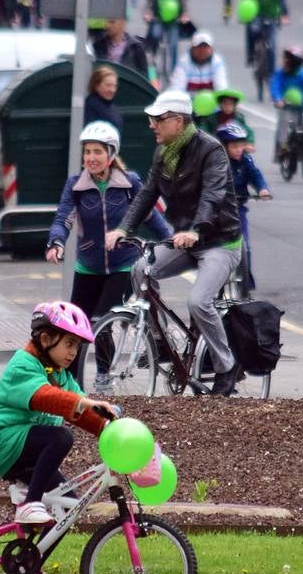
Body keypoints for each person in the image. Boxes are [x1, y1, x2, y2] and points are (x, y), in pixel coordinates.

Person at [0, 302, 117, 574]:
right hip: (1, 441)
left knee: (67, 510)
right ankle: (29, 505)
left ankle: (29, 570)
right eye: (68, 343)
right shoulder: (24, 364)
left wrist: (113, 432)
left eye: (77, 347)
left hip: (27, 448)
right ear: (45, 339)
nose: (73, 353)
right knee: (60, 436)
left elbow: (82, 414)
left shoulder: (61, 375)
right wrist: (83, 401)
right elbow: (46, 397)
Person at [104, 91, 244, 395]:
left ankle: (226, 365)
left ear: (178, 121)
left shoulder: (211, 150)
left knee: (198, 301)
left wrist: (195, 230)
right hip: (185, 240)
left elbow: (213, 195)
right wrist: (123, 229)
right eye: (151, 119)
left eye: (158, 119)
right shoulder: (163, 152)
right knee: (141, 270)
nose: (152, 125)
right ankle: (160, 343)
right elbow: (147, 194)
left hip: (220, 242)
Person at [46, 121, 170, 383]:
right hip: (88, 264)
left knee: (100, 321)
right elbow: (63, 219)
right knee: (75, 326)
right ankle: (72, 382)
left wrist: (171, 241)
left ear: (111, 154)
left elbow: (150, 215)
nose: (91, 158)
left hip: (123, 264)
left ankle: (103, 377)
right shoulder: (76, 185)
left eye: (97, 152)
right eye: (87, 152)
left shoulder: (129, 182)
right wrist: (56, 242)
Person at [216, 122, 270, 288]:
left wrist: (262, 189)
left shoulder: (246, 160)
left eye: (241, 145)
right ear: (224, 147)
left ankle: (246, 282)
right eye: (234, 146)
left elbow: (256, 175)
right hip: (217, 210)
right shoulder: (216, 162)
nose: (239, 149)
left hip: (238, 208)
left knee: (244, 246)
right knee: (215, 247)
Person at [242, 0, 288, 68]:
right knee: (251, 31)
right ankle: (251, 55)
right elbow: (246, 0)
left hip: (272, 16)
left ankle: (271, 72)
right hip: (256, 16)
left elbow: (282, 1)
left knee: (271, 45)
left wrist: (284, 15)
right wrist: (246, 15)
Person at [144, 0, 189, 78]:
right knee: (155, 34)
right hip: (158, 20)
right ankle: (153, 61)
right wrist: (148, 15)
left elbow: (183, 9)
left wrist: (184, 16)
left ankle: (173, 71)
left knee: (173, 45)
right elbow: (149, 7)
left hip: (173, 22)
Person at [83, 66, 123, 131]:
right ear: (96, 85)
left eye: (114, 86)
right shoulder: (91, 106)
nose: (112, 90)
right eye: (108, 85)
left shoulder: (111, 106)